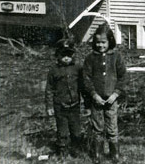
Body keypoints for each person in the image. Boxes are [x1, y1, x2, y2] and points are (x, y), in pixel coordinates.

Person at [83, 24, 127, 164]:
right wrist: (93, 94)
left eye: (103, 42)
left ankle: (114, 153)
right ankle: (98, 153)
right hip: (96, 100)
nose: (100, 45)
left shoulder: (116, 57)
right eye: (97, 42)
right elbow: (86, 79)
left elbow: (123, 77)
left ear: (110, 41)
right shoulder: (90, 58)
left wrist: (116, 94)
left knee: (112, 127)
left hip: (111, 100)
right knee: (97, 127)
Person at [45, 39, 84, 158]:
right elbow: (49, 89)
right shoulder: (53, 70)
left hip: (74, 105)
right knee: (62, 130)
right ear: (58, 55)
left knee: (76, 130)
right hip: (60, 106)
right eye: (63, 55)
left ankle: (76, 148)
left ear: (73, 55)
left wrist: (87, 103)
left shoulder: (77, 68)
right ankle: (62, 150)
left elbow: (83, 86)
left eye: (69, 55)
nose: (66, 58)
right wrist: (49, 106)